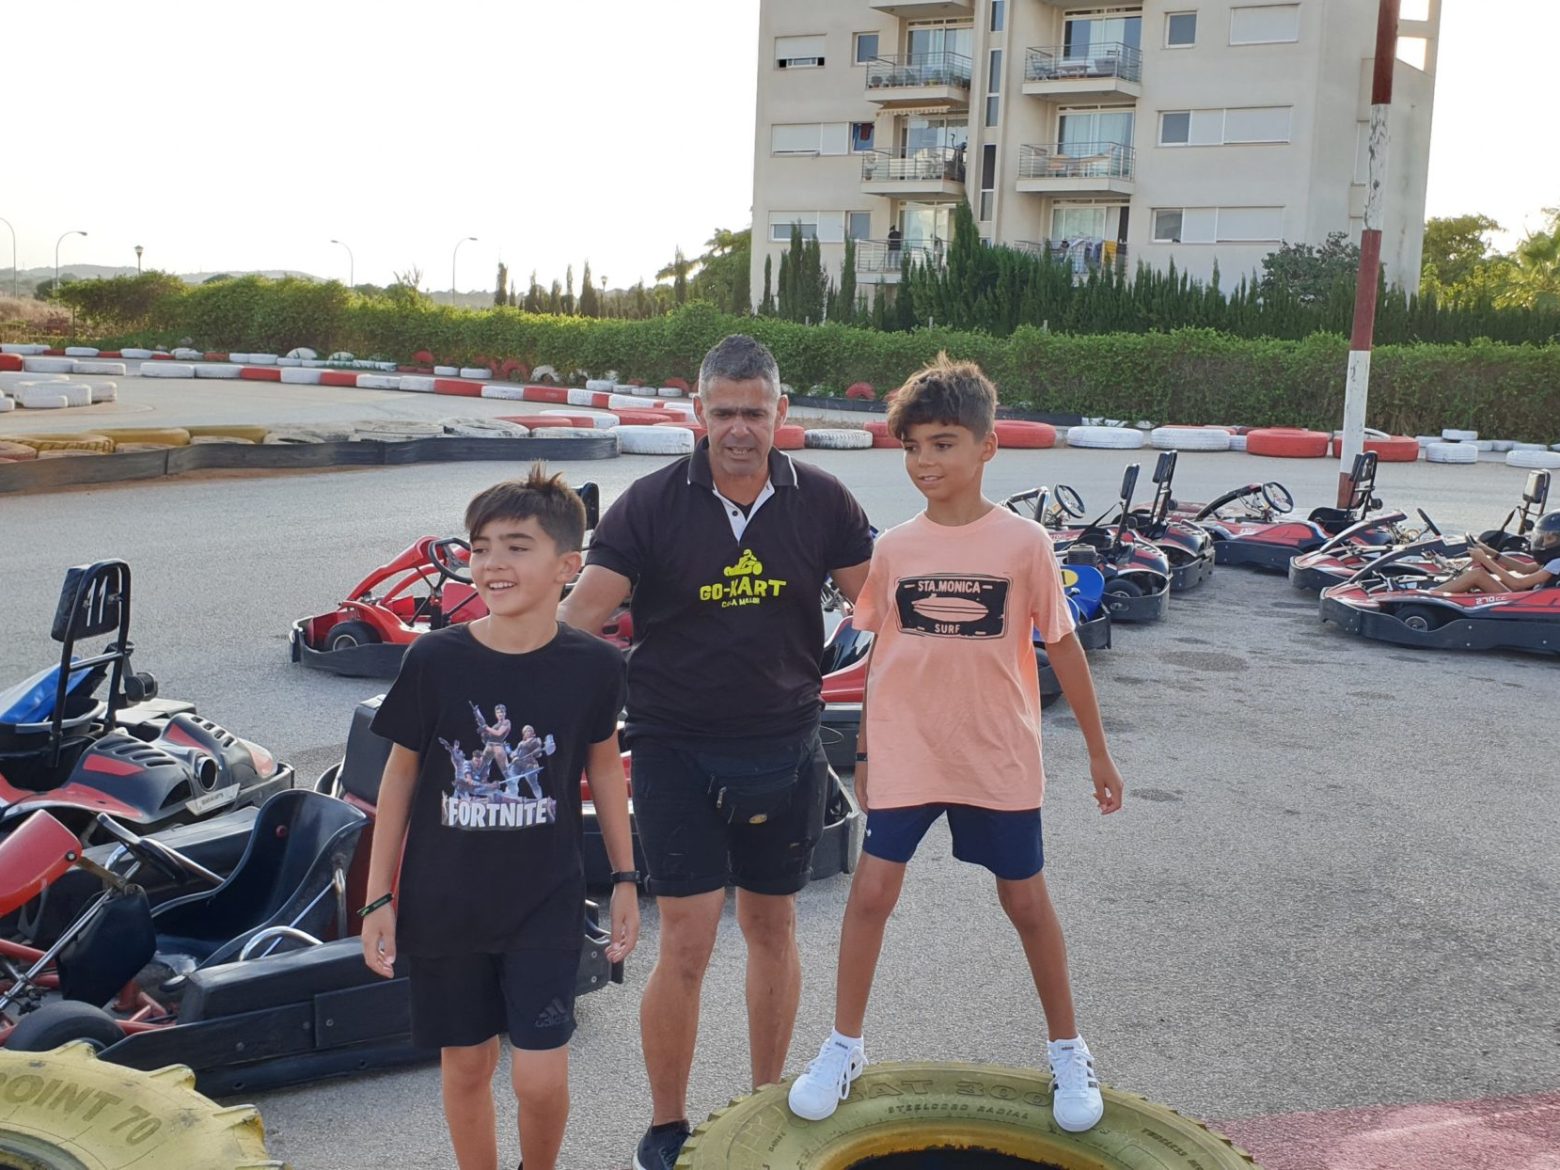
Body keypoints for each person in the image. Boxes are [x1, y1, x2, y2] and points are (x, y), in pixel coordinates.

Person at [786, 354, 1125, 1134]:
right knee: (870, 896)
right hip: (908, 751)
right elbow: (878, 657)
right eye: (912, 447)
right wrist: (866, 751)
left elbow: (1065, 647)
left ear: (986, 447)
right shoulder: (896, 549)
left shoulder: (1023, 544)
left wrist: (1101, 755)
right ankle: (843, 1046)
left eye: (942, 443)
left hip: (996, 755)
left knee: (1026, 903)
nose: (925, 462)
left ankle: (1068, 1049)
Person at [559, 334, 874, 1170]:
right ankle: (667, 1127)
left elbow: (885, 610)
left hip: (784, 742)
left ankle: (765, 1108)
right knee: (689, 938)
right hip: (675, 747)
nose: (740, 429)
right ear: (698, 412)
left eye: (756, 412)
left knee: (773, 925)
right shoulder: (650, 504)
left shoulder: (824, 502)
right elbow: (577, 622)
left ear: (782, 412)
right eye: (724, 412)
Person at [361, 467, 640, 1170]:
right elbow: (398, 777)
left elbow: (604, 768)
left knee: (540, 1078)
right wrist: (377, 897)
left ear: (567, 567)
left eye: (516, 546)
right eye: (481, 546)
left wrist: (628, 877)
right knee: (467, 1067)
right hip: (444, 902)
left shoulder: (594, 667)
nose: (492, 563)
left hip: (543, 902)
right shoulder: (435, 659)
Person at [1430, 513, 1560, 594]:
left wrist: (1484, 560)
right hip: (1530, 596)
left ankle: (1428, 596)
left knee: (1478, 575)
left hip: (1529, 605)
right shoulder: (1554, 560)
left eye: (1549, 539)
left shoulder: (1557, 563)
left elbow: (1518, 584)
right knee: (1479, 578)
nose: (1543, 543)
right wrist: (1491, 552)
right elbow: (1524, 568)